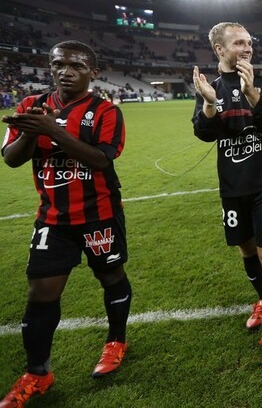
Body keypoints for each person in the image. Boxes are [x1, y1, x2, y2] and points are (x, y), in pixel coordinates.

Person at [1, 41, 132, 406]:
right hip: (53, 218)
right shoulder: (31, 106)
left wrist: (52, 130)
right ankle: (37, 373)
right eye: (59, 64)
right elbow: (11, 159)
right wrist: (32, 130)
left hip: (99, 213)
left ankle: (116, 340)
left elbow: (101, 159)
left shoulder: (106, 111)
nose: (66, 71)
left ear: (93, 72)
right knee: (40, 292)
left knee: (111, 276)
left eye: (76, 66)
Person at [192, 22, 262, 368]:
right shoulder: (210, 88)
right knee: (246, 250)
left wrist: (252, 93)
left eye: (249, 42)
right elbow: (204, 133)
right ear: (219, 50)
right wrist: (209, 104)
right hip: (233, 188)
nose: (248, 48)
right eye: (239, 43)